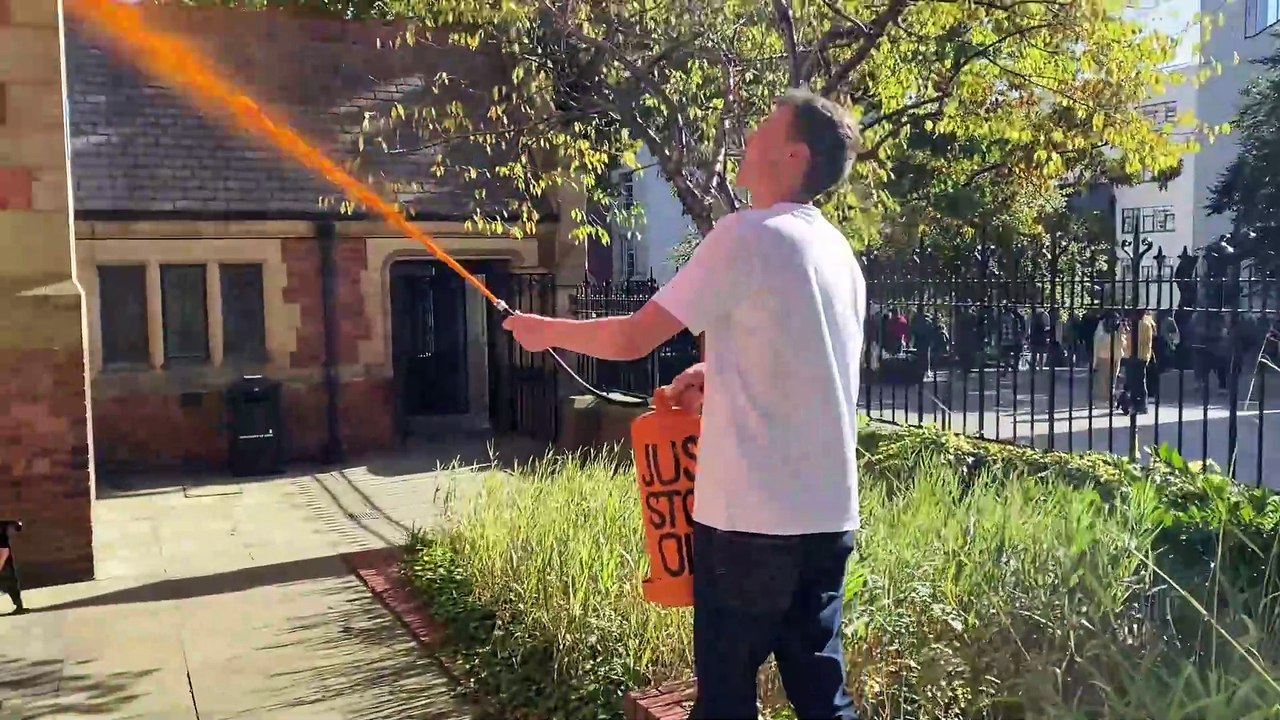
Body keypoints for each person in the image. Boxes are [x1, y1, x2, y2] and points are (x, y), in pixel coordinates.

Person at [503, 89, 864, 720]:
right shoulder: (837, 252)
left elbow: (633, 335)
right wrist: (713, 372)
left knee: (724, 702)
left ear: (793, 155)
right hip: (829, 517)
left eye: (761, 132)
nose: (745, 140)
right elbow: (804, 366)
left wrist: (546, 330)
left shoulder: (747, 234)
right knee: (821, 700)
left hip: (750, 523)